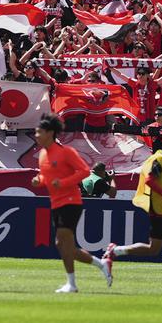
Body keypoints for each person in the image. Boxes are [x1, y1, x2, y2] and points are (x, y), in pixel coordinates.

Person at [32, 114, 113, 293]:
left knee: (63, 240)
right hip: (56, 202)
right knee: (64, 246)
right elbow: (46, 175)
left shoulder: (65, 152)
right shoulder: (43, 154)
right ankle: (102, 264)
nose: (36, 135)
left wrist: (63, 182)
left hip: (70, 201)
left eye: (39, 132)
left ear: (50, 133)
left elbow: (84, 171)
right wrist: (39, 180)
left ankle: (72, 284)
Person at [104, 127, 162, 286]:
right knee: (153, 249)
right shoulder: (160, 160)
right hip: (158, 209)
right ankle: (115, 251)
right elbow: (149, 181)